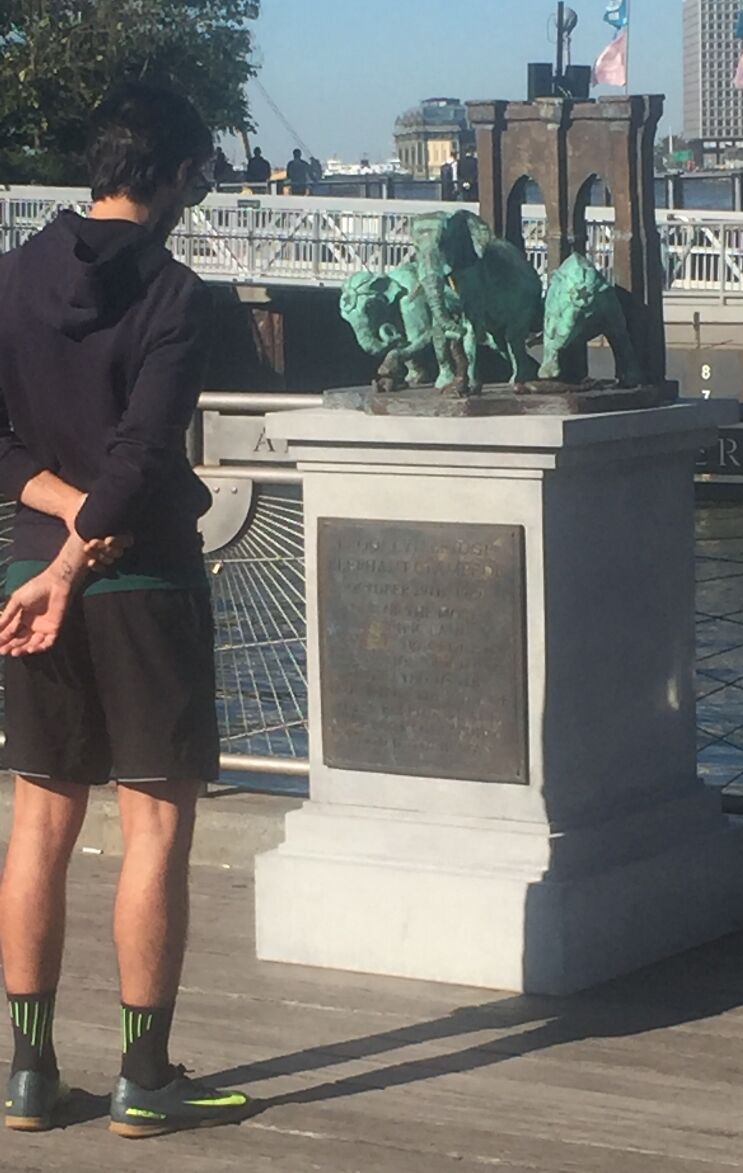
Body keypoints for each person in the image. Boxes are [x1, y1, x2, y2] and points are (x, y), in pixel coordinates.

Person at [0, 82, 249, 1138]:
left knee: (39, 820)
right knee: (152, 824)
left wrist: (52, 551)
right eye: (197, 175)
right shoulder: (178, 296)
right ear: (174, 175)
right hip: (141, 585)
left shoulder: (8, 281)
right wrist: (81, 556)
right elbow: (144, 463)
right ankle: (145, 1078)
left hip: (20, 576)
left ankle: (27, 1074)